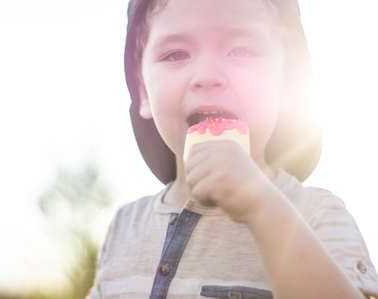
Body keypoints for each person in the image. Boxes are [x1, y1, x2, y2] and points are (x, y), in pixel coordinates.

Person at [88, 0, 378, 298]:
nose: (207, 75)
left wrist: (262, 206)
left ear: (287, 84)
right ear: (143, 91)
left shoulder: (318, 215)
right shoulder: (124, 226)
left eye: (240, 50)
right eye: (175, 54)